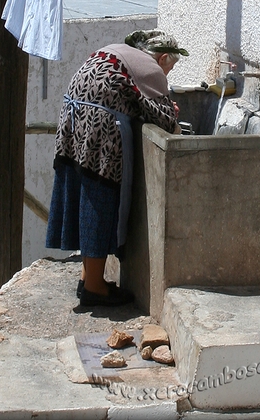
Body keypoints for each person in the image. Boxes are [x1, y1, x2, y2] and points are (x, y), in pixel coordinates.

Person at [46, 30, 187, 306]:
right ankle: (95, 288)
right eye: (169, 69)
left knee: (84, 192)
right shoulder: (151, 70)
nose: (166, 76)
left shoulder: (119, 52)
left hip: (74, 117)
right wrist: (173, 113)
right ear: (162, 58)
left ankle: (88, 277)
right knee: (100, 198)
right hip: (100, 126)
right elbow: (167, 123)